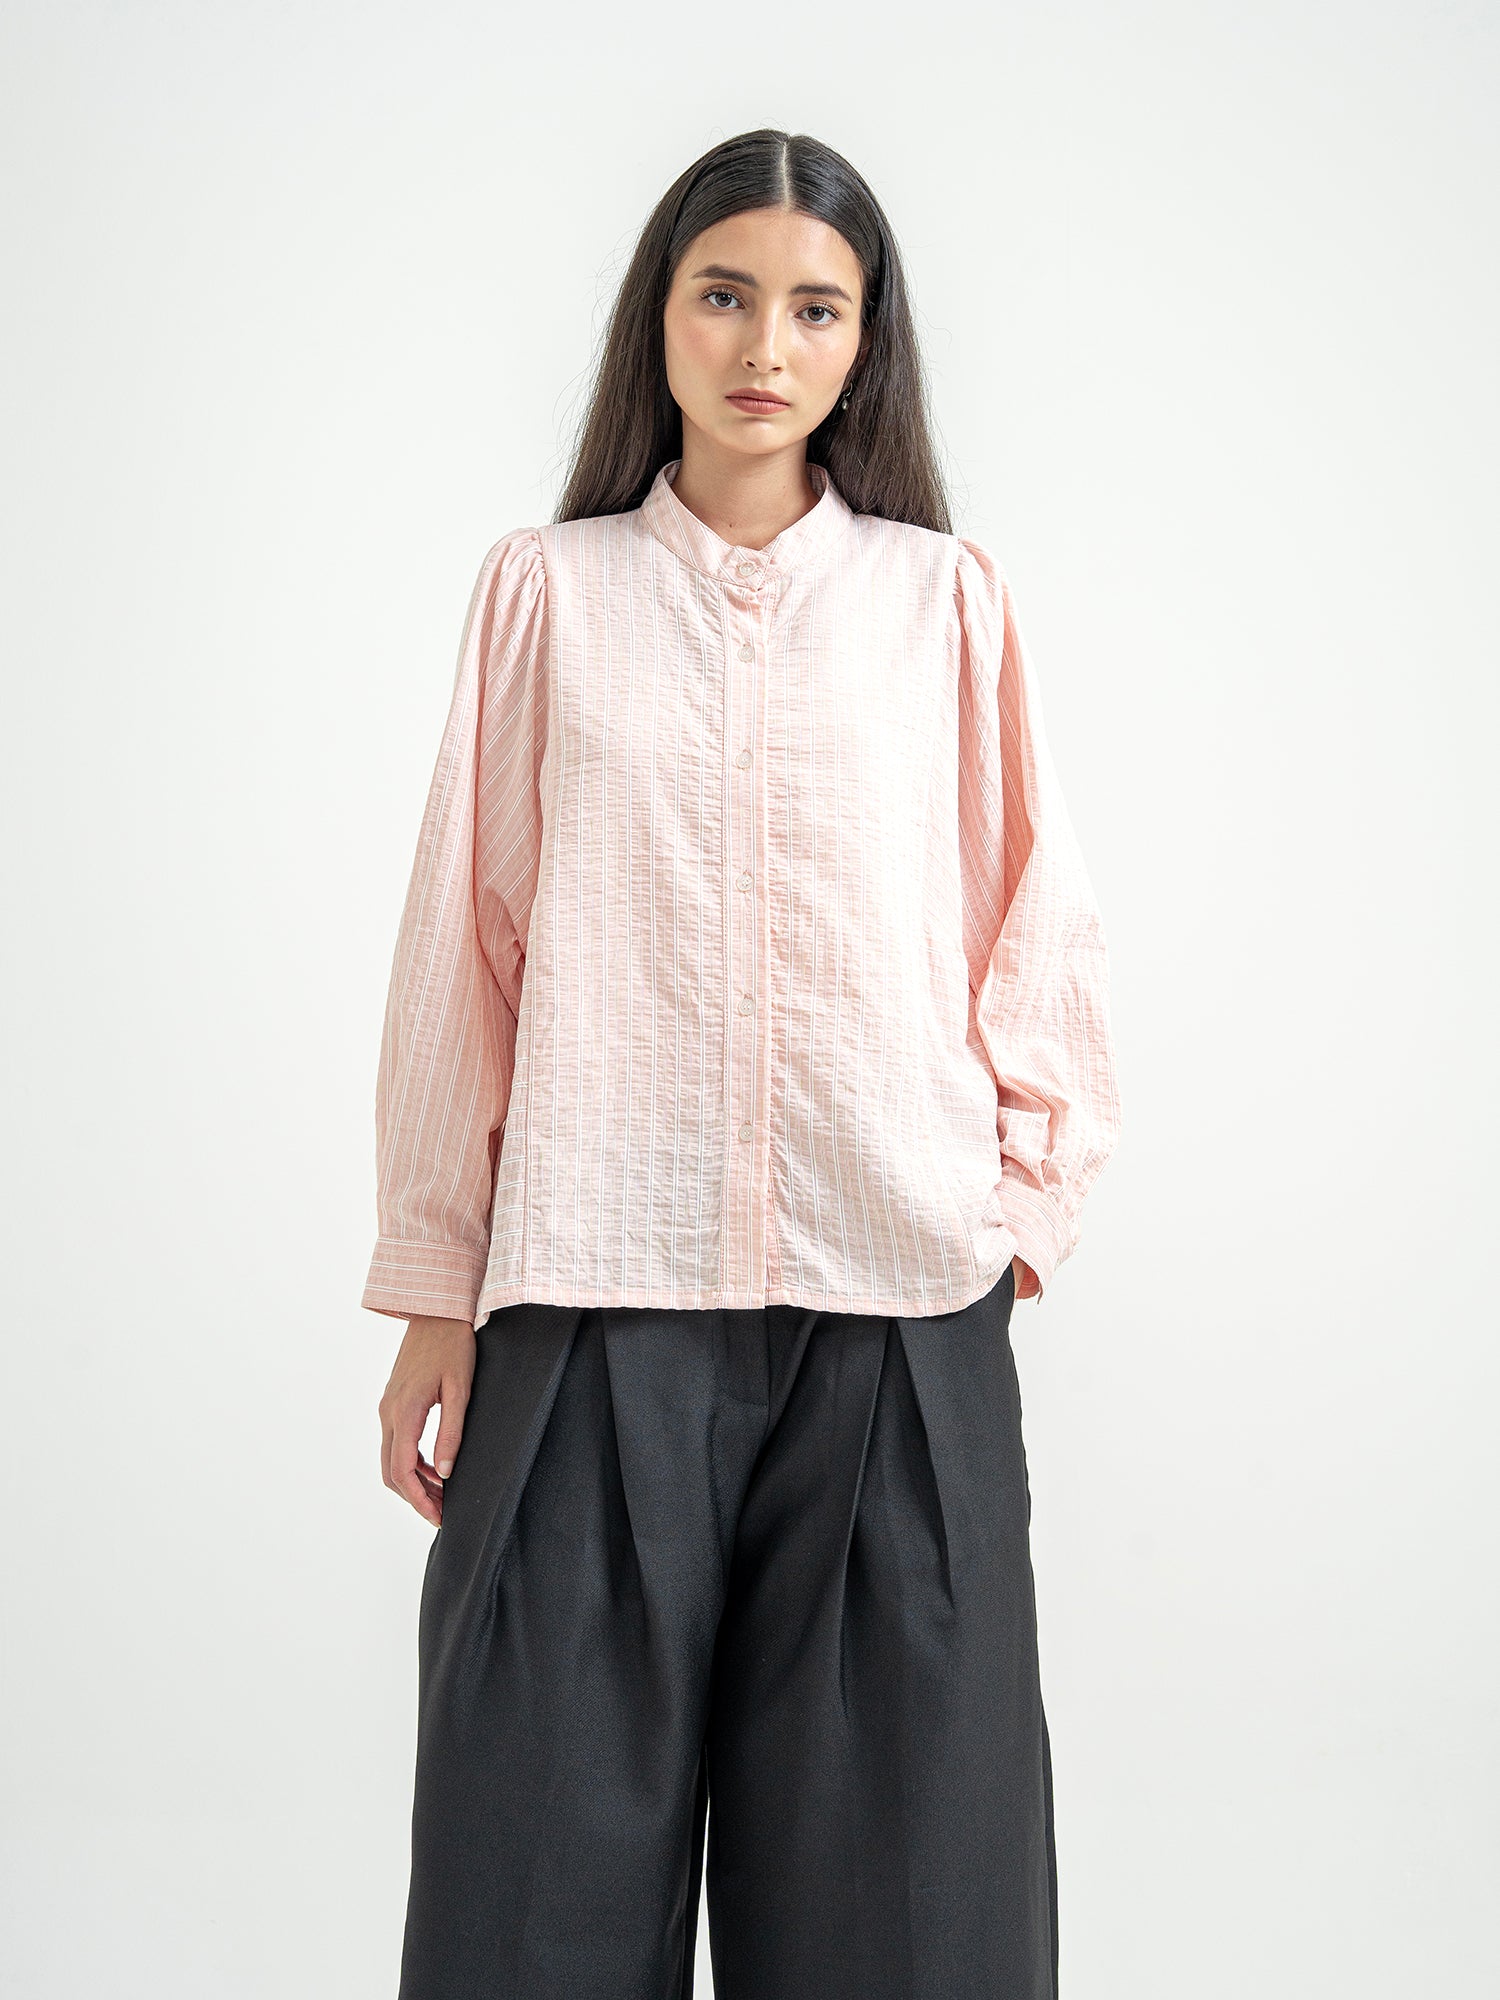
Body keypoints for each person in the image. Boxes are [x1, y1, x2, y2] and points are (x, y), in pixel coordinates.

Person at [362, 126, 1121, 2000]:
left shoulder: (947, 602)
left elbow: (1034, 922)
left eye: (814, 307)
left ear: (866, 343)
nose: (765, 345)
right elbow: (463, 945)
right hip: (587, 1309)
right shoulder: (545, 595)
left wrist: (1016, 1219)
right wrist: (437, 1287)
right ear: (661, 315)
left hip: (897, 1320)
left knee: (913, 1920)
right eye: (724, 294)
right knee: (530, 1899)